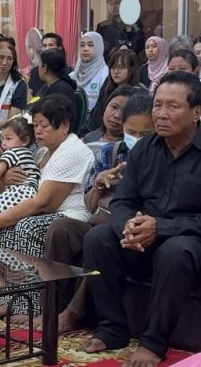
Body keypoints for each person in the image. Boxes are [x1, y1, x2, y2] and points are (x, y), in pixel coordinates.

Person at [81, 71, 201, 367]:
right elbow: (123, 201)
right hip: (147, 235)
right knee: (98, 239)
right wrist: (129, 227)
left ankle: (153, 343)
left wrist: (160, 227)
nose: (161, 114)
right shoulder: (145, 148)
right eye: (158, 105)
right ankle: (112, 329)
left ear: (197, 112)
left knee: (175, 250)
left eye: (172, 106)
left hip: (196, 240)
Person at [0, 94, 95, 317]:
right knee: (10, 225)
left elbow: (45, 203)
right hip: (46, 211)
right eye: (36, 125)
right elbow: (16, 191)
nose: (38, 131)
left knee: (25, 227)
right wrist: (2, 176)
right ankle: (11, 298)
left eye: (44, 125)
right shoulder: (41, 151)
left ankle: (31, 304)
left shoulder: (72, 151)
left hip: (70, 215)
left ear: (64, 125)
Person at [53, 93, 154, 333]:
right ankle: (51, 304)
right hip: (99, 217)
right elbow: (89, 206)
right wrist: (99, 184)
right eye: (132, 132)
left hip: (128, 226)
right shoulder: (110, 152)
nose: (137, 139)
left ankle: (74, 312)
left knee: (98, 238)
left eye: (144, 134)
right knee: (61, 228)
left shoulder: (156, 157)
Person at [0, 117, 40, 219]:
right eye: (3, 138)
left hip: (20, 192)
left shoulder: (12, 152)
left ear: (25, 141)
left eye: (8, 138)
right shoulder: (28, 153)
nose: (4, 143)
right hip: (31, 194)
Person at [85, 48, 140, 134]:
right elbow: (95, 118)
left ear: (132, 69)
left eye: (122, 67)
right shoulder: (107, 87)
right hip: (100, 133)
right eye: (113, 67)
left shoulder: (138, 93)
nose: (116, 71)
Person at [82, 85, 139, 149]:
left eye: (125, 111)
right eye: (114, 107)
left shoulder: (132, 146)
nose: (117, 115)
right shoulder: (90, 138)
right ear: (105, 106)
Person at [167, 49, 201, 119]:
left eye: (182, 69)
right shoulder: (165, 92)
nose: (176, 73)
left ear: (195, 70)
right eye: (172, 69)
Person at [71, 32, 109, 124]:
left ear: (99, 47)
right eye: (82, 45)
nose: (85, 49)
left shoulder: (106, 74)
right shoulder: (72, 76)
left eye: (91, 45)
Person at [28, 33, 63, 97]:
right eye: (44, 46)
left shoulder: (65, 71)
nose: (47, 48)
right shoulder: (35, 72)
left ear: (59, 48)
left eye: (51, 45)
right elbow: (30, 92)